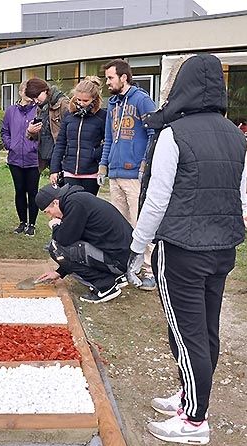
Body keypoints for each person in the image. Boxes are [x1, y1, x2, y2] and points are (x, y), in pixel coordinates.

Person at [126, 54, 246, 445]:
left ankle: (195, 420)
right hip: (222, 246)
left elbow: (157, 200)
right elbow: (236, 193)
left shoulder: (174, 133)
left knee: (186, 332)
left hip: (182, 249)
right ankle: (189, 395)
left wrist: (136, 247)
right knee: (206, 329)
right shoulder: (235, 133)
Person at [97, 59, 157, 291]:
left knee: (141, 222)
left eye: (111, 77)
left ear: (124, 77)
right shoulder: (112, 103)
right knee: (119, 224)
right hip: (115, 172)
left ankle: (151, 271)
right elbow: (109, 137)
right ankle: (123, 266)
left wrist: (145, 163)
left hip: (135, 174)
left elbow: (154, 131)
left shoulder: (141, 100)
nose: (107, 82)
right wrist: (104, 164)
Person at [34, 184, 132, 303]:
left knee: (55, 248)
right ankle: (116, 277)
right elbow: (76, 238)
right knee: (66, 247)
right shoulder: (76, 199)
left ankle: (106, 286)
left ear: (55, 202)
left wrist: (55, 225)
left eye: (48, 212)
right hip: (124, 256)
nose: (50, 216)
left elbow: (63, 240)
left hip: (119, 261)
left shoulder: (74, 204)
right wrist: (59, 272)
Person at [50, 76, 106, 195]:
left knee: (87, 209)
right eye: (78, 100)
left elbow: (108, 142)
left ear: (94, 99)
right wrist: (54, 169)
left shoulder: (102, 117)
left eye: (85, 101)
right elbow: (60, 143)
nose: (81, 103)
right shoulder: (69, 116)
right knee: (70, 207)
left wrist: (95, 154)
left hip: (91, 173)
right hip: (69, 171)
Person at [1, 80, 40, 236]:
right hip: (15, 159)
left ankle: (32, 224)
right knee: (19, 191)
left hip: (33, 159)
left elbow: (43, 133)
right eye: (26, 90)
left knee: (33, 192)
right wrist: (11, 145)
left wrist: (34, 147)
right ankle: (22, 222)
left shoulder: (38, 110)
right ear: (20, 92)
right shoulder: (11, 111)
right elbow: (5, 131)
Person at [25, 77, 69, 174]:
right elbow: (43, 133)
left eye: (37, 96)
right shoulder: (40, 108)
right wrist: (31, 131)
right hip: (46, 156)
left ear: (45, 90)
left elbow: (71, 131)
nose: (36, 101)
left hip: (62, 156)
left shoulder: (63, 104)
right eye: (33, 99)